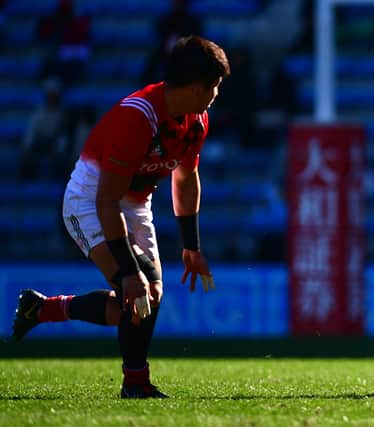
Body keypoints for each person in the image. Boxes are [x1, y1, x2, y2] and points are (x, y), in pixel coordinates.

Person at [9, 35, 230, 399]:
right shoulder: (138, 117)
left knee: (147, 297)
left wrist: (191, 246)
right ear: (194, 87)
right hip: (90, 201)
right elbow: (105, 200)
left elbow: (186, 177)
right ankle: (136, 382)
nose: (216, 94)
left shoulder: (196, 121)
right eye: (214, 86)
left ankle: (43, 309)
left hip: (133, 202)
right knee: (135, 290)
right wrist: (128, 272)